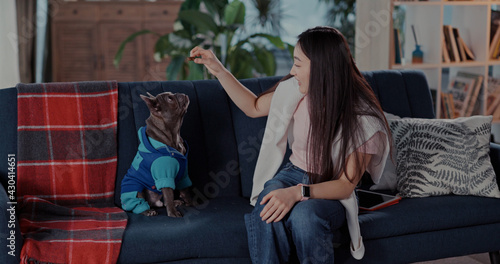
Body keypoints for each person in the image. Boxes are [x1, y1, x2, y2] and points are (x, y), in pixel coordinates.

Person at [190, 26, 390, 264]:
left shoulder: (364, 120)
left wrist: (298, 193)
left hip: (331, 187)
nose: (292, 71)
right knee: (268, 208)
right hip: (293, 173)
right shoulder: (295, 92)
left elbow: (345, 185)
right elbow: (253, 107)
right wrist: (219, 70)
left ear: (322, 67)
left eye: (298, 63)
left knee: (306, 217)